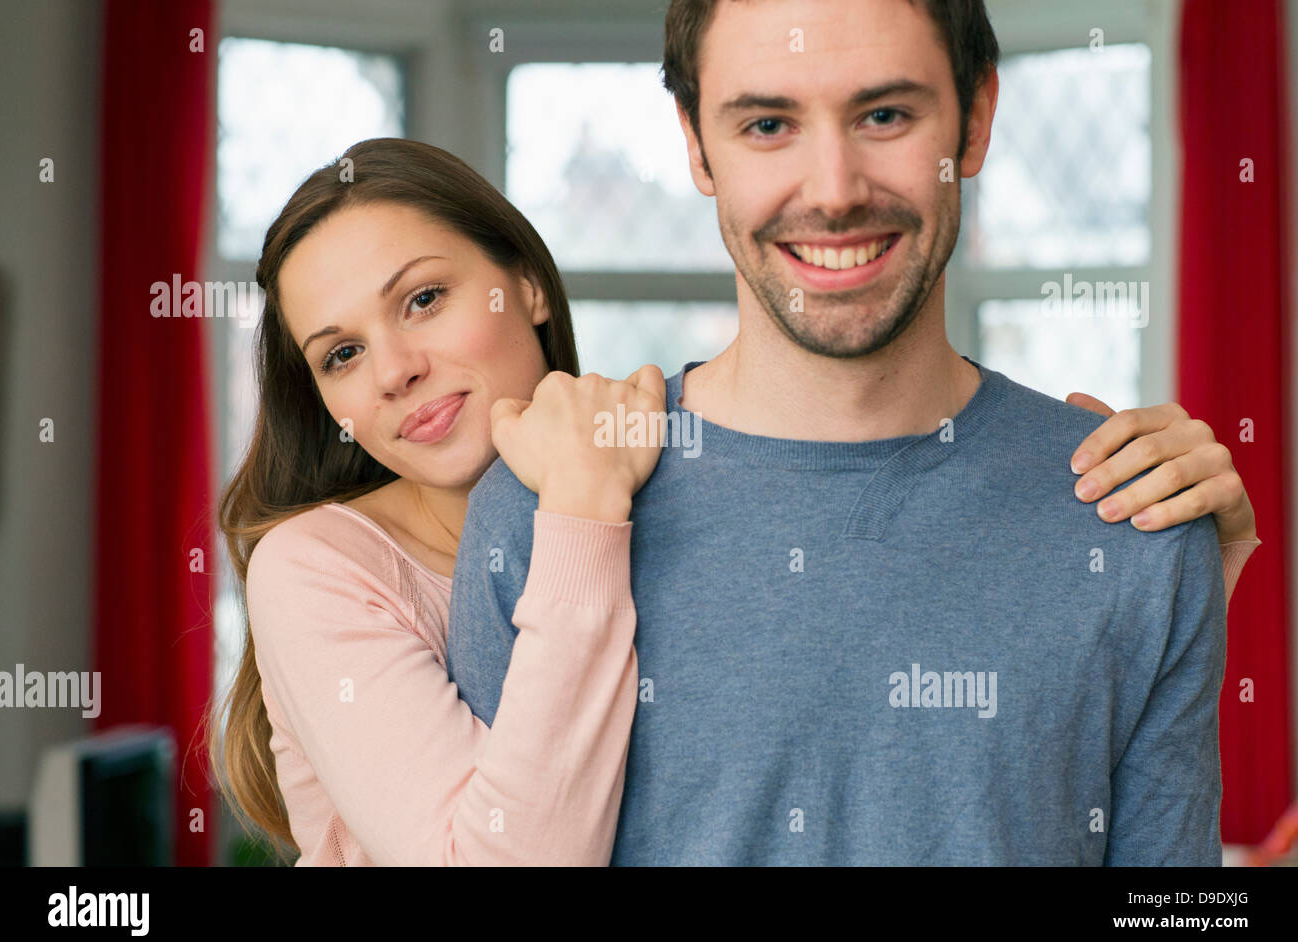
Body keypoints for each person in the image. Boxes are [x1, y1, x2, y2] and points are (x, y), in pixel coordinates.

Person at [446, 0, 1259, 865]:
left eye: (885, 115)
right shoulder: (547, 518)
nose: (833, 191)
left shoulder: (1136, 520)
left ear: (976, 119)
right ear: (696, 145)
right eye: (768, 123)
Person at [208, 138, 665, 865]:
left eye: (423, 300)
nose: (394, 371)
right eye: (342, 354)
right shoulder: (313, 571)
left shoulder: (665, 482)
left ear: (527, 284)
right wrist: (581, 511)